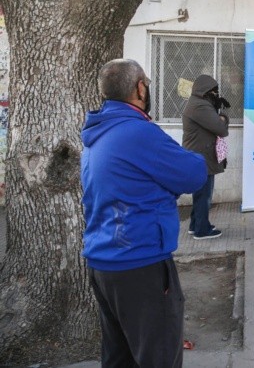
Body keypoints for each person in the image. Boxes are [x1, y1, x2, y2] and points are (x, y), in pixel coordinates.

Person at [81, 59, 207, 367]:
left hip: (104, 262)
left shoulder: (98, 131)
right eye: (147, 84)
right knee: (158, 357)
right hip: (140, 263)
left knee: (119, 357)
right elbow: (194, 174)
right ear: (140, 88)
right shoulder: (138, 132)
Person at [182, 74, 230, 240]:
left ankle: (195, 225)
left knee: (200, 194)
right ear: (205, 90)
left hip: (199, 156)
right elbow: (221, 129)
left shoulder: (198, 103)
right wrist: (223, 117)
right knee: (204, 194)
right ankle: (202, 230)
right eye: (214, 91)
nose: (216, 94)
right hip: (201, 158)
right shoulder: (200, 106)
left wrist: (217, 114)